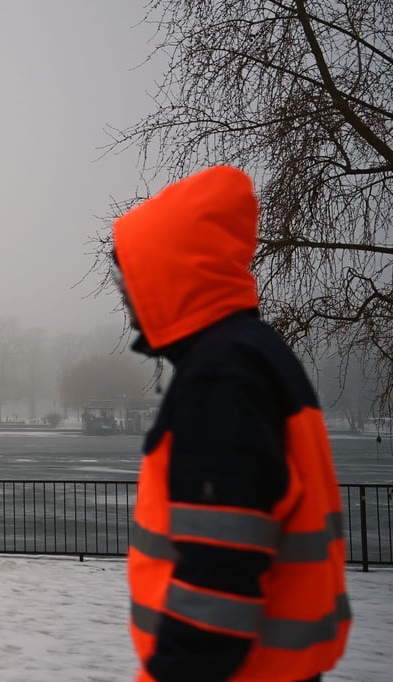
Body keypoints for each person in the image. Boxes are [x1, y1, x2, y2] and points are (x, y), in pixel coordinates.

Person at [112, 165, 351, 682]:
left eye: (127, 277)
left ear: (167, 275)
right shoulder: (253, 355)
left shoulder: (220, 375)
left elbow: (217, 579)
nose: (125, 297)